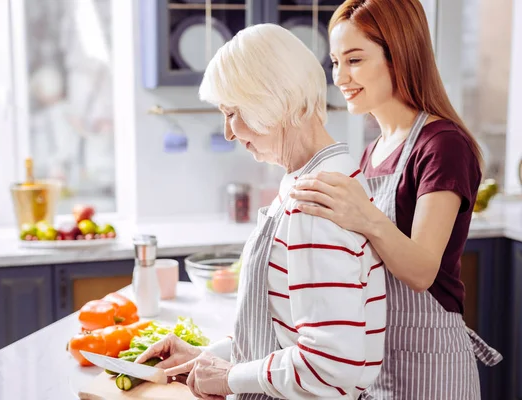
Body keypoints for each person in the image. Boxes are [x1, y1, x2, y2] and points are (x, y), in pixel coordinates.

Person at [135, 23, 386, 400]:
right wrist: (208, 357)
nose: (229, 133)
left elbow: (331, 365)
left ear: (273, 101)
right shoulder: (315, 178)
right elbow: (283, 329)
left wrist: (230, 377)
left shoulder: (316, 200)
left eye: (232, 112)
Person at [288, 0, 502, 398]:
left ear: (399, 55)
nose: (340, 77)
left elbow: (421, 270)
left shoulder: (443, 144)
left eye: (354, 60)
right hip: (374, 357)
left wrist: (364, 216)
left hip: (430, 361)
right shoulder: (374, 152)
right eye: (335, 62)